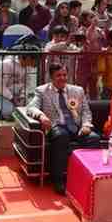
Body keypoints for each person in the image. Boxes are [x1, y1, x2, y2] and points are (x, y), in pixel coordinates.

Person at [27, 63, 99, 194]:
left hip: (76, 127)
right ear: (51, 77)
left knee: (94, 138)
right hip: (57, 127)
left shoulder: (78, 90)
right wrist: (41, 116)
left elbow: (86, 111)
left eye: (64, 75)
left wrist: (86, 125)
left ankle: (88, 178)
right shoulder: (42, 91)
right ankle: (58, 180)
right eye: (58, 75)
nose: (62, 78)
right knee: (62, 136)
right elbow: (31, 107)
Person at [0, 49, 39, 120]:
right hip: (3, 96)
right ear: (28, 58)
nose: (35, 64)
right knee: (13, 114)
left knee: (30, 112)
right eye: (34, 60)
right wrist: (11, 98)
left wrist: (23, 95)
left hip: (19, 96)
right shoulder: (7, 64)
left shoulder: (28, 66)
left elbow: (27, 84)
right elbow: (0, 86)